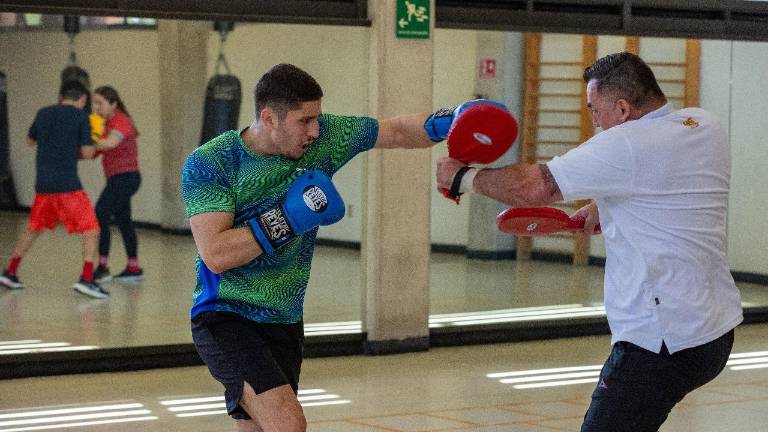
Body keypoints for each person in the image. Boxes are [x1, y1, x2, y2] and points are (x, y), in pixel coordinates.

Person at [181, 63, 502, 432]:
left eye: (318, 118)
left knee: (258, 427)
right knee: (288, 424)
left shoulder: (325, 137)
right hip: (225, 315)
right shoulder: (212, 163)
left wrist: (451, 120)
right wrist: (289, 217)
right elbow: (216, 254)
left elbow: (394, 131)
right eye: (305, 121)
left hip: (284, 319)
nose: (316, 130)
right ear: (269, 117)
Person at [437, 52, 743, 432]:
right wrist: (607, 205)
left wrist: (462, 177)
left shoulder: (626, 144)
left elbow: (534, 186)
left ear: (622, 108)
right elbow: (675, 184)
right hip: (715, 333)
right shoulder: (703, 125)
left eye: (594, 110)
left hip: (661, 342)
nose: (594, 121)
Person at [0, 80, 109, 299]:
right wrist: (95, 139)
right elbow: (88, 153)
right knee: (91, 229)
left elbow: (31, 141)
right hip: (68, 185)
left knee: (33, 228)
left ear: (61, 96)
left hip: (43, 185)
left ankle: (10, 272)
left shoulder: (43, 113)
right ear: (82, 99)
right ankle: (87, 278)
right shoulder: (81, 117)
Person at [90, 86, 143, 283]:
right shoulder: (103, 123)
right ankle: (133, 266)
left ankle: (102, 267)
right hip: (116, 179)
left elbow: (110, 143)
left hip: (126, 178)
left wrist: (90, 135)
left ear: (113, 104)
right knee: (123, 220)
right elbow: (91, 153)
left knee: (100, 213)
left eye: (100, 103)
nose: (96, 108)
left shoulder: (121, 120)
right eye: (94, 103)